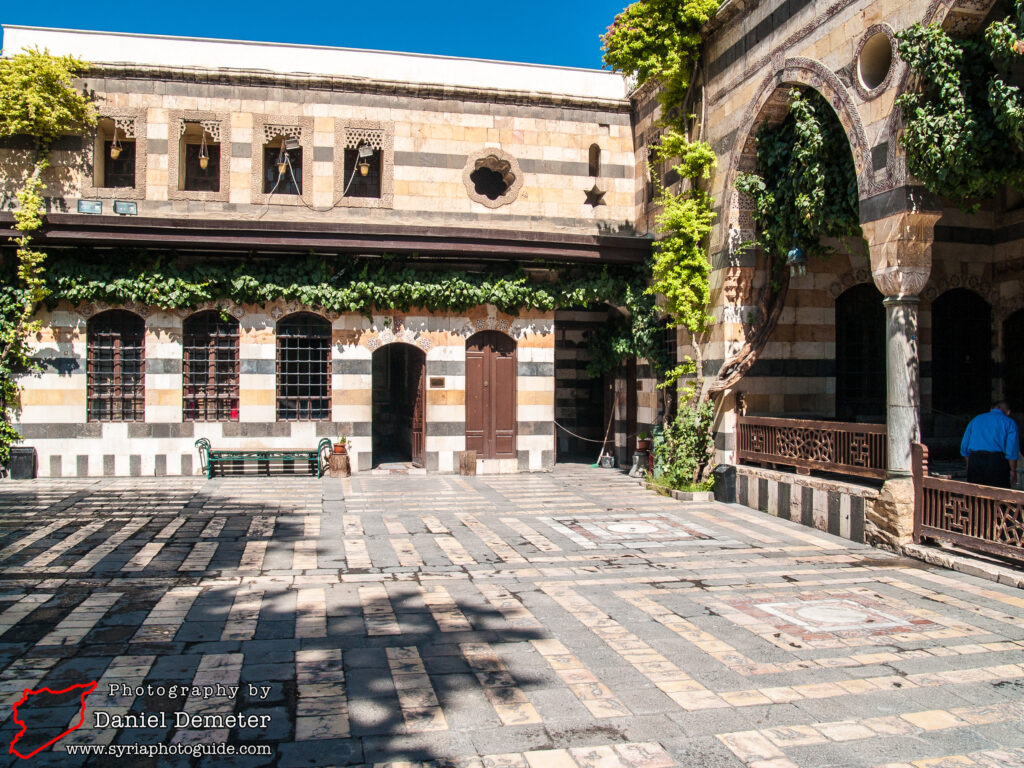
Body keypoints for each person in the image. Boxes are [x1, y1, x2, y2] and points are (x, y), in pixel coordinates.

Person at [960, 401, 1020, 488]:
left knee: (975, 493)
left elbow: (964, 446)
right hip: (997, 461)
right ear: (1008, 412)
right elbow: (1012, 449)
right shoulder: (1009, 422)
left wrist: (969, 464)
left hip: (975, 460)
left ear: (991, 409)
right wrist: (1013, 470)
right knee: (998, 493)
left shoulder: (976, 419)